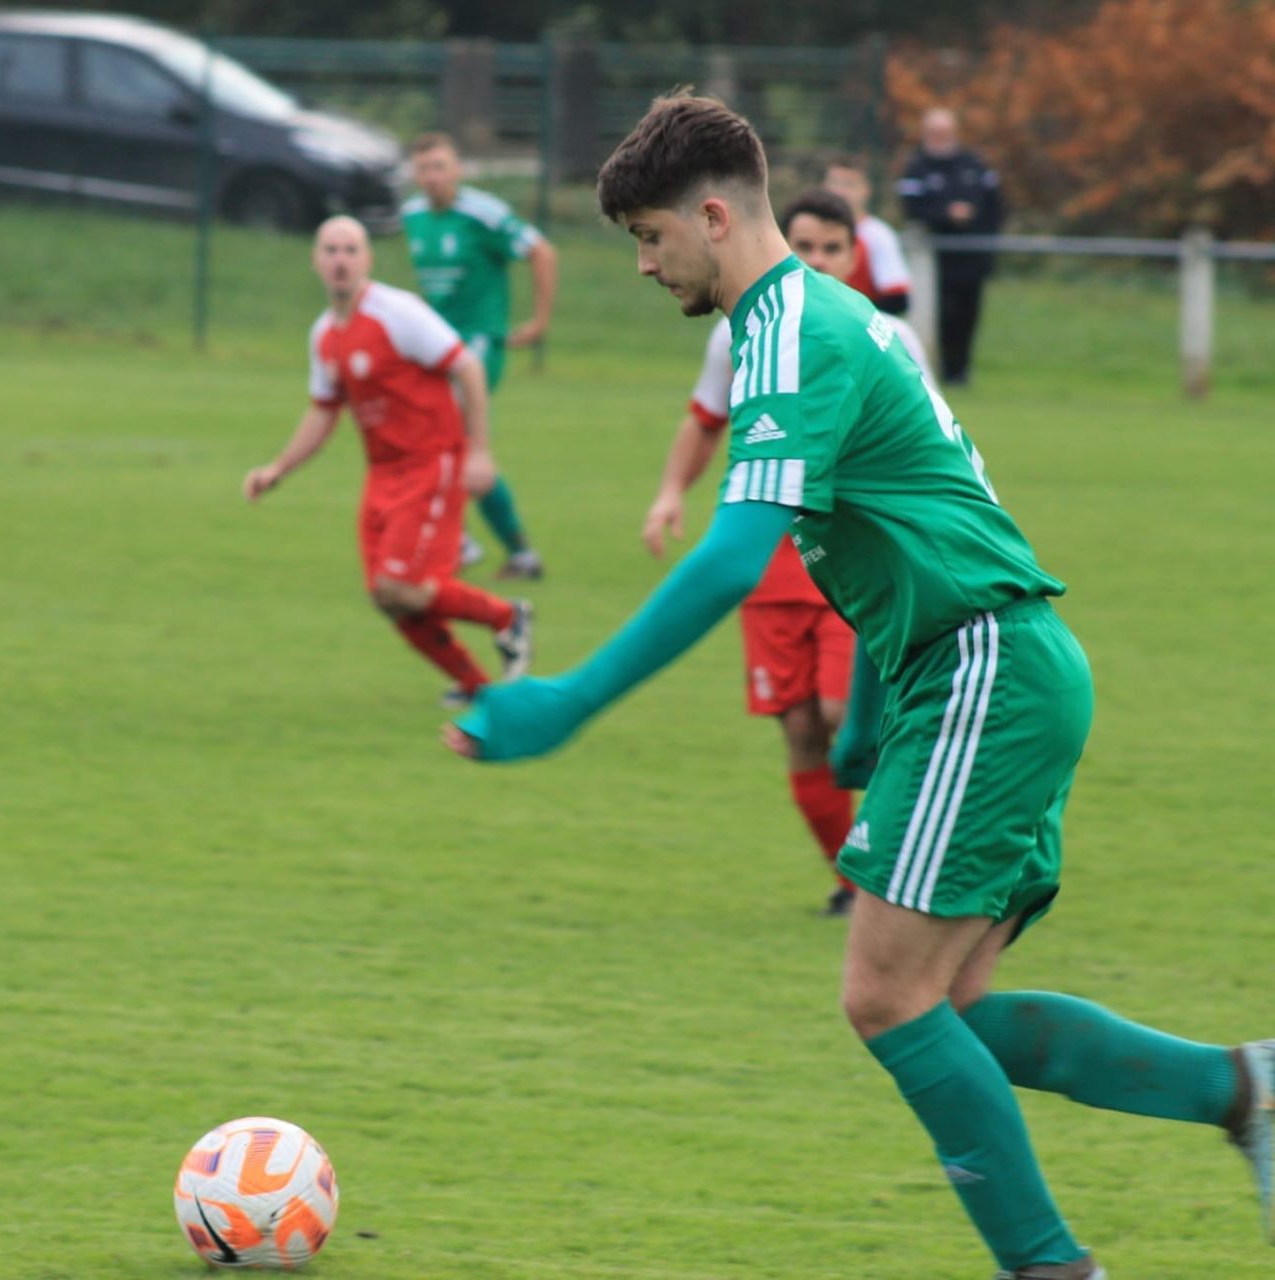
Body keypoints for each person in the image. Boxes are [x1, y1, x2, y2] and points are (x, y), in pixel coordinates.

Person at [445, 94, 1270, 1279]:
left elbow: (738, 554)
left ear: (714, 216)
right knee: (954, 1014)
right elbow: (906, 521)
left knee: (885, 995)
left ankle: (1053, 1266)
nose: (641, 264)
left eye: (648, 236)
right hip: (988, 667)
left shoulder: (786, 330)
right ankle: (1244, 1087)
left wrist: (565, 699)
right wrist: (876, 715)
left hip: (982, 668)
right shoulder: (839, 317)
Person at [644, 187, 935, 918]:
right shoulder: (735, 332)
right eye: (803, 245)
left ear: (855, 255)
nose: (816, 260)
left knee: (846, 713)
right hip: (773, 559)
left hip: (847, 560)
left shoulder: (886, 335)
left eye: (832, 248)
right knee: (801, 725)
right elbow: (705, 421)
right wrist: (670, 491)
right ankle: (852, 878)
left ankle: (902, 868)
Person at [245, 216, 533, 707]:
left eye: (351, 250)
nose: (341, 260)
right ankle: (476, 686)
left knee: (401, 585)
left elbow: (466, 367)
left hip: (432, 461)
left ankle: (507, 617)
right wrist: (278, 468)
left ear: (367, 260)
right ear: (316, 260)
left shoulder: (397, 312)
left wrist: (479, 450)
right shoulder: (324, 335)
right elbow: (323, 410)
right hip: (383, 474)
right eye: (331, 250)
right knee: (387, 596)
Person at [402, 133, 558, 580]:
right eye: (424, 168)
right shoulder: (412, 216)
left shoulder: (481, 213)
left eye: (440, 166)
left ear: (458, 170)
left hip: (480, 346)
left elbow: (542, 251)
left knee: (444, 435)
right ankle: (518, 555)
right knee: (456, 445)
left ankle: (458, 541)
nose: (433, 177)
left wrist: (538, 321)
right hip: (438, 347)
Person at [899, 108, 1004, 386]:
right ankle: (939, 369)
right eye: (934, 132)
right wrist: (946, 214)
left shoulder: (974, 165)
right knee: (941, 314)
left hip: (971, 258)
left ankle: (961, 371)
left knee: (968, 314)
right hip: (935, 260)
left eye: (944, 132)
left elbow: (995, 206)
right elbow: (912, 208)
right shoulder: (917, 167)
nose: (939, 138)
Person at [822, 155, 911, 315]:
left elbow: (897, 298)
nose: (840, 191)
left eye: (849, 185)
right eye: (834, 183)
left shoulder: (878, 235)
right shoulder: (806, 230)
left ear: (866, 189)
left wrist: (854, 318)